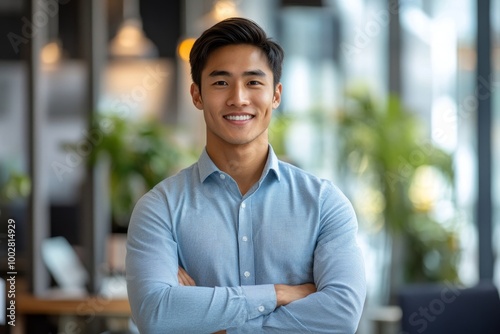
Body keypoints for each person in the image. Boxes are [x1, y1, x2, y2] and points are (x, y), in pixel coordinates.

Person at [126, 17, 366, 333]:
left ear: (276, 95)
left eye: (253, 82)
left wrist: (216, 324)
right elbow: (156, 316)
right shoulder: (160, 209)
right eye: (221, 82)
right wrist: (278, 294)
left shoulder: (324, 204)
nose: (238, 98)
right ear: (197, 95)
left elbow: (341, 315)